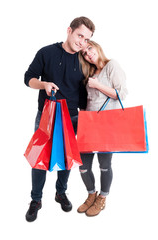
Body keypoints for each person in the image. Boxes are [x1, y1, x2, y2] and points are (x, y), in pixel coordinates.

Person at [24, 16, 95, 222]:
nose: (81, 42)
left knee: (67, 158)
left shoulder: (84, 59)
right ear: (69, 30)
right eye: (79, 35)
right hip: (47, 115)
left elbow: (87, 90)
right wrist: (44, 84)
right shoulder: (46, 52)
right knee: (40, 158)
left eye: (86, 39)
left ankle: (60, 192)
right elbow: (28, 78)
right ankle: (36, 199)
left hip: (73, 117)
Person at [77, 40, 128, 217]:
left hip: (107, 123)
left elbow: (121, 93)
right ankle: (91, 194)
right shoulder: (89, 72)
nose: (88, 53)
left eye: (89, 48)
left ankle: (102, 198)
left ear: (97, 47)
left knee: (104, 165)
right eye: (83, 53)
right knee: (83, 166)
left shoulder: (111, 65)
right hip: (89, 123)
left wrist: (97, 85)